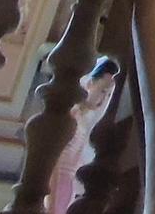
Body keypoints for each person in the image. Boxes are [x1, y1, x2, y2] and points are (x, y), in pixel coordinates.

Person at [48, 56, 119, 213]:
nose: (103, 99)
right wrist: (51, 202)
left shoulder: (82, 120)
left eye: (108, 95)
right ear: (90, 83)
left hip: (68, 187)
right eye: (102, 90)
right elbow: (54, 162)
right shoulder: (71, 116)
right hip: (57, 185)